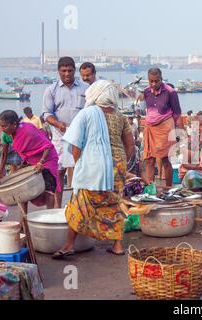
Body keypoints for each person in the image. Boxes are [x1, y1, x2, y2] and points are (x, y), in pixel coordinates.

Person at [53, 80, 135, 259]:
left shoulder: (86, 114)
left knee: (79, 203)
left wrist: (80, 163)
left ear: (95, 94)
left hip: (93, 166)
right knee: (113, 204)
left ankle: (68, 245)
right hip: (118, 166)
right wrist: (121, 164)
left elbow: (75, 145)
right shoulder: (120, 116)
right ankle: (118, 246)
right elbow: (130, 144)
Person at [42, 56, 89, 208]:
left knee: (81, 171)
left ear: (74, 70)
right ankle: (58, 208)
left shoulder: (85, 88)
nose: (67, 73)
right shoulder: (51, 90)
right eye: (64, 71)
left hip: (81, 137)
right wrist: (58, 123)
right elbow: (46, 113)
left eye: (70, 70)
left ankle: (78, 206)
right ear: (58, 71)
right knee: (59, 173)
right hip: (60, 137)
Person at [0, 110, 61, 212]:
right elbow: (4, 154)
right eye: (0, 126)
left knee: (49, 190)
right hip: (31, 161)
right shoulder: (5, 135)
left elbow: (47, 146)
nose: (2, 129)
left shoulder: (27, 129)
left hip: (47, 159)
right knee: (21, 191)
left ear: (14, 124)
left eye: (4, 126)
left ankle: (50, 215)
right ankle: (24, 219)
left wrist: (41, 162)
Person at [140, 68, 182, 188]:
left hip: (165, 127)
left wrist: (169, 126)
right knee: (149, 160)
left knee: (165, 160)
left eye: (156, 81)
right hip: (150, 127)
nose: (153, 84)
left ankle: (168, 188)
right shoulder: (146, 91)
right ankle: (151, 188)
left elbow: (177, 112)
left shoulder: (170, 92)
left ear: (161, 78)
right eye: (151, 81)